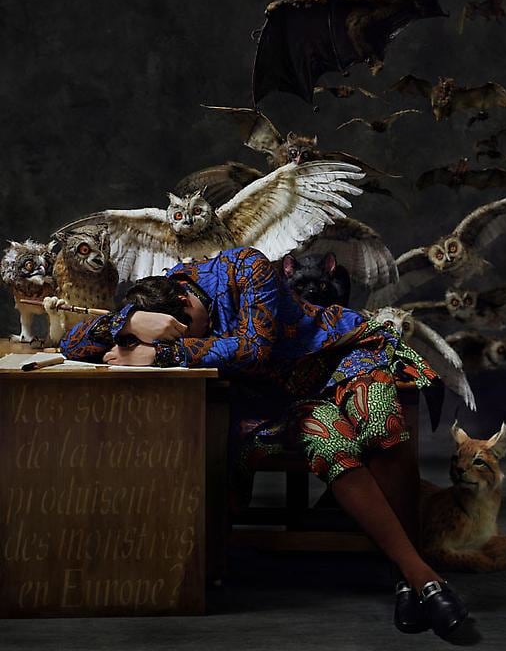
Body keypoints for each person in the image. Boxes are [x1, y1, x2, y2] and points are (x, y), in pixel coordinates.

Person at [61, 245, 468, 637]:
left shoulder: (246, 267)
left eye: (186, 330)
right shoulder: (155, 298)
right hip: (281, 397)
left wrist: (165, 353)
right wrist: (129, 324)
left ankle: (406, 579)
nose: (188, 340)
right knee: (326, 443)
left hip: (339, 355)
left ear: (186, 298)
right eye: (172, 338)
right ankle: (423, 581)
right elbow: (71, 343)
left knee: (378, 421)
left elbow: (251, 350)